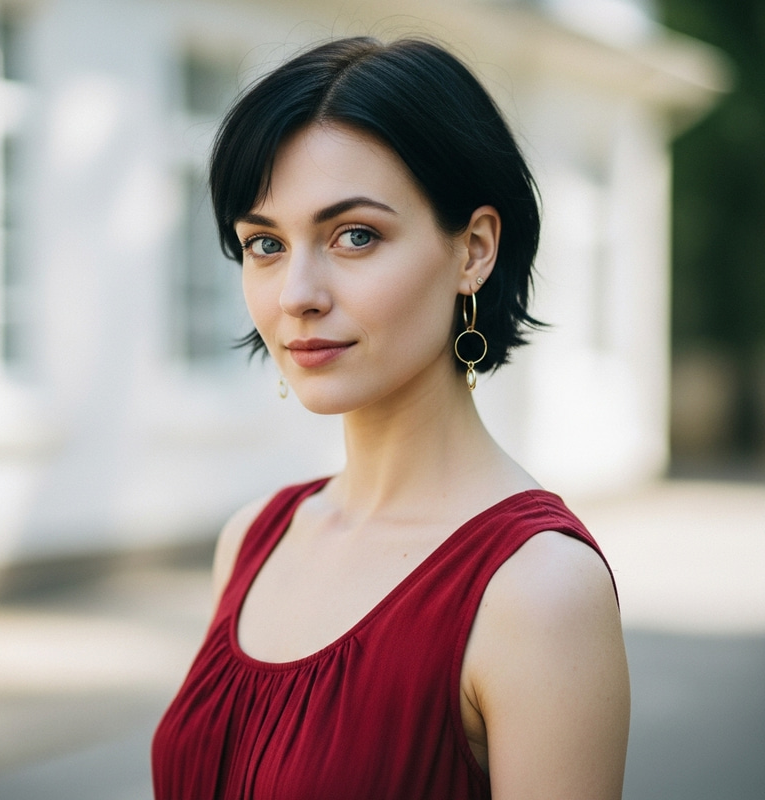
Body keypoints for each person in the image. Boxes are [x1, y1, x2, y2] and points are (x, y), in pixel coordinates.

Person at [152, 36, 630, 800]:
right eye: (265, 244)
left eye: (355, 236)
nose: (296, 293)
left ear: (473, 250)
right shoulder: (252, 539)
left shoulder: (539, 591)